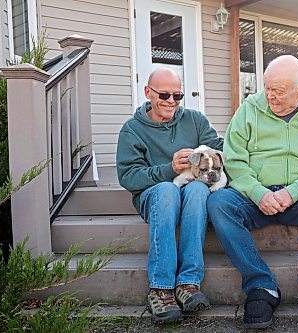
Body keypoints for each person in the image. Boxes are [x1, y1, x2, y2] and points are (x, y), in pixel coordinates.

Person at [207, 55, 298, 329]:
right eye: (267, 88)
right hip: (255, 199)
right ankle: (261, 286)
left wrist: (293, 192)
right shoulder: (249, 108)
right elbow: (235, 159)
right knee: (219, 202)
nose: (270, 96)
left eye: (279, 91)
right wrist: (258, 192)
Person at [116, 68, 223, 324]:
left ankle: (188, 284)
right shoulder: (132, 130)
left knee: (198, 189)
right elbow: (129, 177)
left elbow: (218, 149)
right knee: (167, 189)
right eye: (164, 94)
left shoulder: (196, 120)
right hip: (155, 197)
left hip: (190, 193)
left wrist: (202, 152)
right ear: (147, 92)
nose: (171, 101)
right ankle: (161, 288)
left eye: (178, 95)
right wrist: (170, 169)